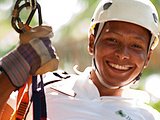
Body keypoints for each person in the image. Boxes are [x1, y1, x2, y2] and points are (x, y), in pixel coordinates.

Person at [0, 0, 160, 119]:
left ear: (147, 57)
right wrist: (17, 64)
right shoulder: (42, 87)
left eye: (136, 46)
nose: (122, 54)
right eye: (112, 40)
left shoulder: (148, 117)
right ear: (92, 42)